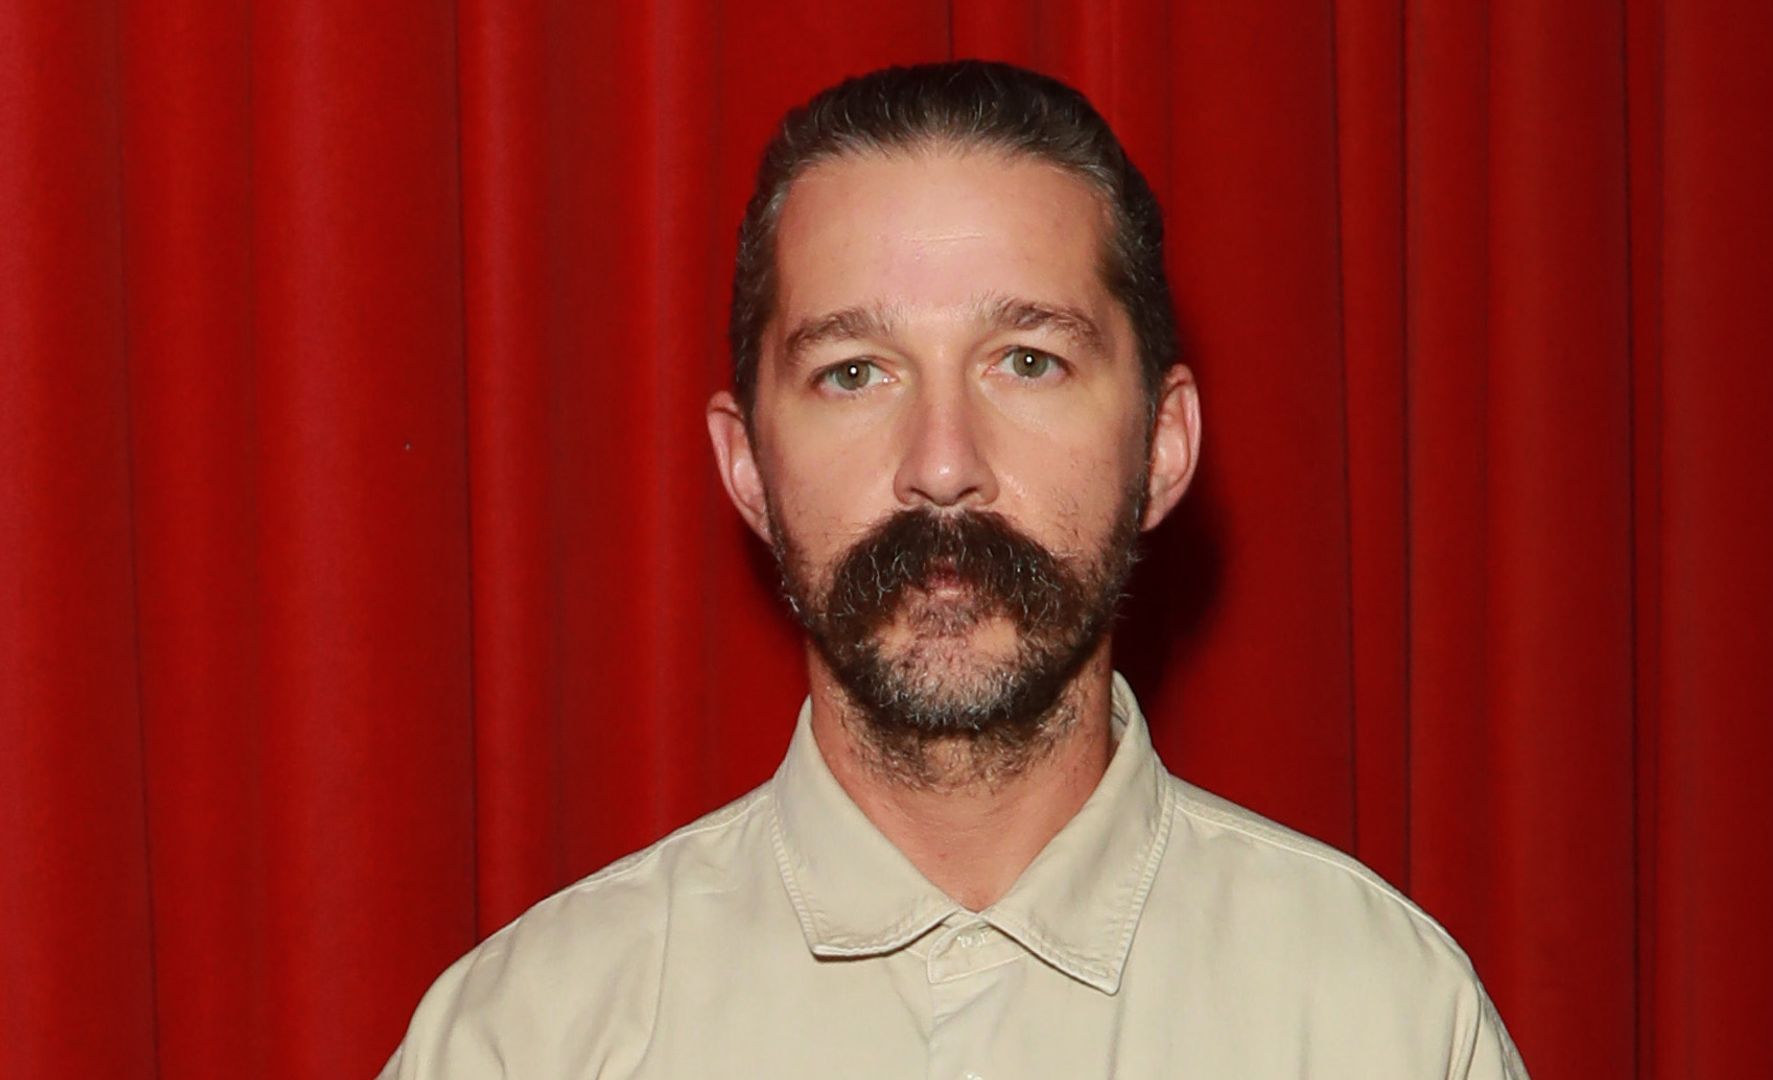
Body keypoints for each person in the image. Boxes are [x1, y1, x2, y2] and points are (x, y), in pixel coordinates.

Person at [381, 60, 1529, 1078]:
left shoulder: (1389, 1024)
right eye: (853, 372)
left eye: (1026, 361)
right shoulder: (523, 1039)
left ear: (1164, 446)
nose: (942, 466)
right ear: (746, 465)